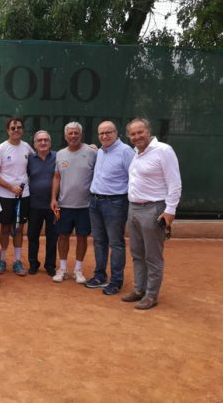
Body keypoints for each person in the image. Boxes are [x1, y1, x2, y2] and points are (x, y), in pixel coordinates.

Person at [122, 118, 181, 310]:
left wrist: (170, 210)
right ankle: (139, 289)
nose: (137, 136)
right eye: (133, 134)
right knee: (137, 253)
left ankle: (151, 295)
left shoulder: (163, 151)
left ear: (149, 131)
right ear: (129, 136)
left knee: (153, 256)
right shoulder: (134, 153)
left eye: (140, 132)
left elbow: (174, 182)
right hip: (134, 209)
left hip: (154, 209)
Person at [85, 121, 134, 295]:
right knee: (99, 241)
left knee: (116, 243)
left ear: (116, 132)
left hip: (115, 203)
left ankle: (116, 281)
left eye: (108, 132)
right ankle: (99, 276)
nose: (104, 136)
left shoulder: (126, 151)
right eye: (101, 133)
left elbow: (134, 178)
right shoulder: (100, 151)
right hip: (95, 201)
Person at [50, 121, 96, 284]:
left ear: (81, 135)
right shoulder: (60, 154)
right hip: (64, 205)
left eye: (76, 133)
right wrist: (54, 199)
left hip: (85, 206)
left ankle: (78, 270)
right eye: (70, 133)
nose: (73, 136)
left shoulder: (92, 152)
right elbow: (57, 177)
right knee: (62, 236)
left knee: (82, 237)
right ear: (65, 136)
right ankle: (62, 269)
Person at [0, 117, 33, 276]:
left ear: (22, 130)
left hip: (24, 195)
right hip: (5, 196)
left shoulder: (27, 147)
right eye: (13, 128)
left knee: (19, 229)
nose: (16, 130)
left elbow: (41, 158)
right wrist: (10, 187)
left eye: (19, 128)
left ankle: (17, 261)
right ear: (8, 130)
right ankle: (1, 260)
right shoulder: (0, 149)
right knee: (5, 229)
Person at [26, 130, 57, 277]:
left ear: (50, 143)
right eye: (40, 141)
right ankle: (33, 263)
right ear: (35, 144)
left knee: (53, 236)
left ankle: (50, 265)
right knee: (33, 236)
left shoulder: (58, 157)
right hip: (34, 204)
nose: (43, 143)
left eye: (46, 140)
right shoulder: (29, 159)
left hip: (53, 205)